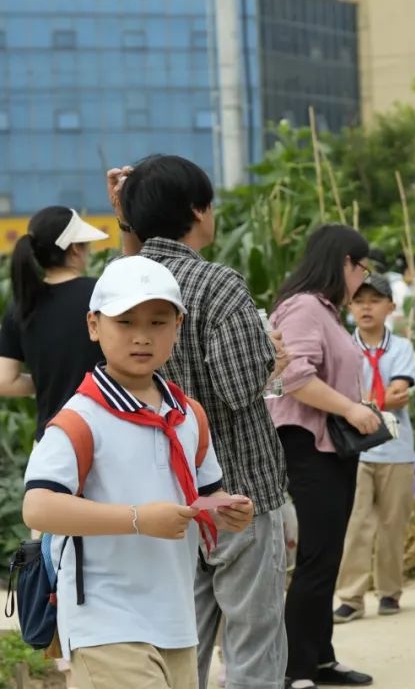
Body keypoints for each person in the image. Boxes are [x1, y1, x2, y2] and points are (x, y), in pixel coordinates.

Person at [23, 255, 254, 689]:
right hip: (104, 622)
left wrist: (225, 509)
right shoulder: (81, 419)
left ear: (178, 327)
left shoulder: (188, 415)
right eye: (125, 322)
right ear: (94, 326)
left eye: (157, 322)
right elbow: (38, 507)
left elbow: (201, 497)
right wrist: (136, 519)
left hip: (176, 617)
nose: (142, 337)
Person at [114, 155, 290, 689]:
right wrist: (269, 357)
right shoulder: (218, 284)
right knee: (253, 642)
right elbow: (238, 390)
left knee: (180, 642)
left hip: (165, 495)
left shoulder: (120, 286)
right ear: (198, 211)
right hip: (239, 489)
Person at [268, 225, 379, 689]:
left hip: (333, 448)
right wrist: (352, 408)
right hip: (309, 446)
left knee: (328, 555)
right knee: (316, 557)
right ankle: (295, 669)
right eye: (362, 267)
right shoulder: (304, 308)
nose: (363, 277)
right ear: (344, 263)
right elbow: (294, 374)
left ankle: (321, 658)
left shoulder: (328, 312)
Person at [336, 274, 415, 620]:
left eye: (374, 300)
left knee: (392, 523)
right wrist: (379, 401)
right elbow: (388, 398)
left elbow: (399, 393)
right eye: (359, 301)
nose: (366, 307)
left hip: (396, 446)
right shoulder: (343, 346)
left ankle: (390, 592)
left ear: (390, 307)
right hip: (356, 447)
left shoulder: (401, 347)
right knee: (355, 524)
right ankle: (351, 597)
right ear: (350, 307)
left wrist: (367, 400)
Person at [0, 206, 107, 438]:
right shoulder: (100, 294)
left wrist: (48, 379)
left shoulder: (21, 305)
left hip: (51, 440)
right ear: (77, 249)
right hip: (101, 437)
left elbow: (5, 381)